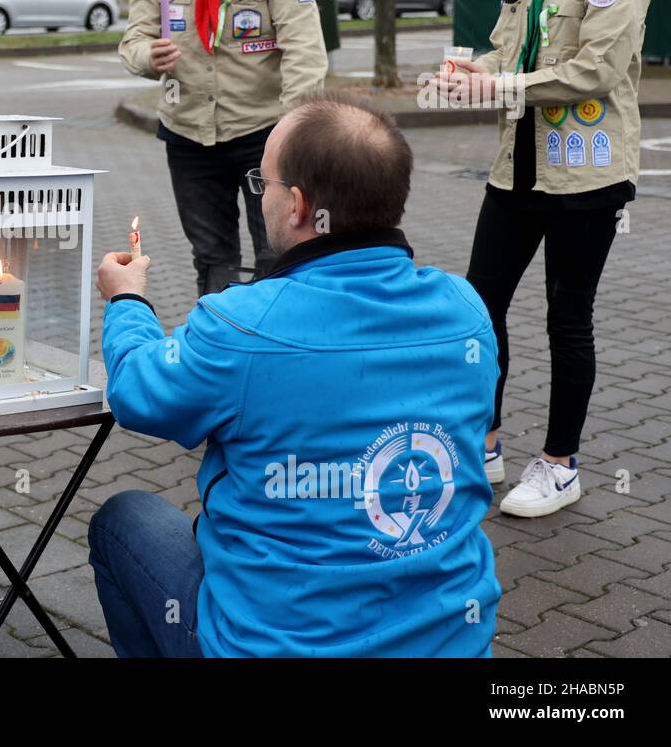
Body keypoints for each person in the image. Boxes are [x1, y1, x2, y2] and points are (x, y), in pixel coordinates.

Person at [89, 93, 500, 657]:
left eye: (265, 184)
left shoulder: (242, 325)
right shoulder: (467, 312)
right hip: (448, 641)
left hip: (276, 644)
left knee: (122, 520)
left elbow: (138, 393)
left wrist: (127, 303)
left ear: (298, 206)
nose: (259, 199)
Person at [441, 0, 652, 518]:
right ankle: (487, 442)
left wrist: (500, 87)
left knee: (568, 317)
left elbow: (595, 70)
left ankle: (560, 465)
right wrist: (478, 69)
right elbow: (513, 53)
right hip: (516, 170)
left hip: (585, 176)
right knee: (479, 307)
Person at [120, 0, 327, 294]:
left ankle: (275, 358)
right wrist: (148, 57)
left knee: (278, 255)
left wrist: (293, 130)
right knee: (212, 260)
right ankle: (221, 358)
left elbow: (303, 42)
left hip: (263, 133)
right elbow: (132, 40)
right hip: (188, 133)